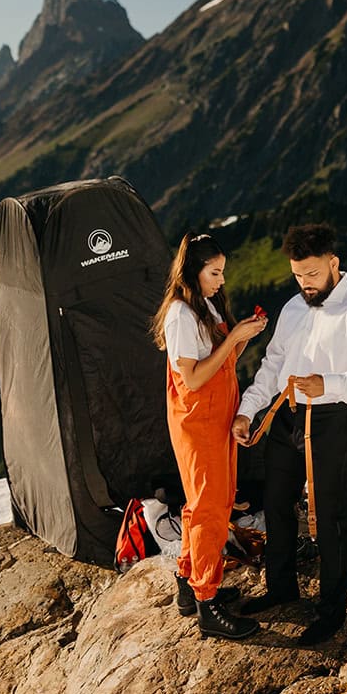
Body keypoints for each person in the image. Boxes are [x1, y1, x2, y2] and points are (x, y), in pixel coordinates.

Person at [230, 224, 347, 645]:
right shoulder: (293, 307)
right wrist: (248, 410)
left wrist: (332, 384)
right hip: (287, 414)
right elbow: (272, 365)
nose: (305, 283)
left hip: (333, 419)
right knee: (276, 504)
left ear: (334, 263)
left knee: (330, 514)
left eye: (312, 274)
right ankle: (281, 588)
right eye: (298, 275)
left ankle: (330, 614)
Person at [151, 232, 269, 640]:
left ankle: (190, 583)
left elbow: (218, 365)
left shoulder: (206, 305)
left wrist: (243, 336)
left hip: (216, 418)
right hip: (198, 421)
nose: (221, 280)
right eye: (214, 272)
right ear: (193, 271)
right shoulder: (181, 314)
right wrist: (235, 338)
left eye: (222, 272)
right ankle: (207, 602)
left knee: (205, 503)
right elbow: (195, 378)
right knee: (210, 509)